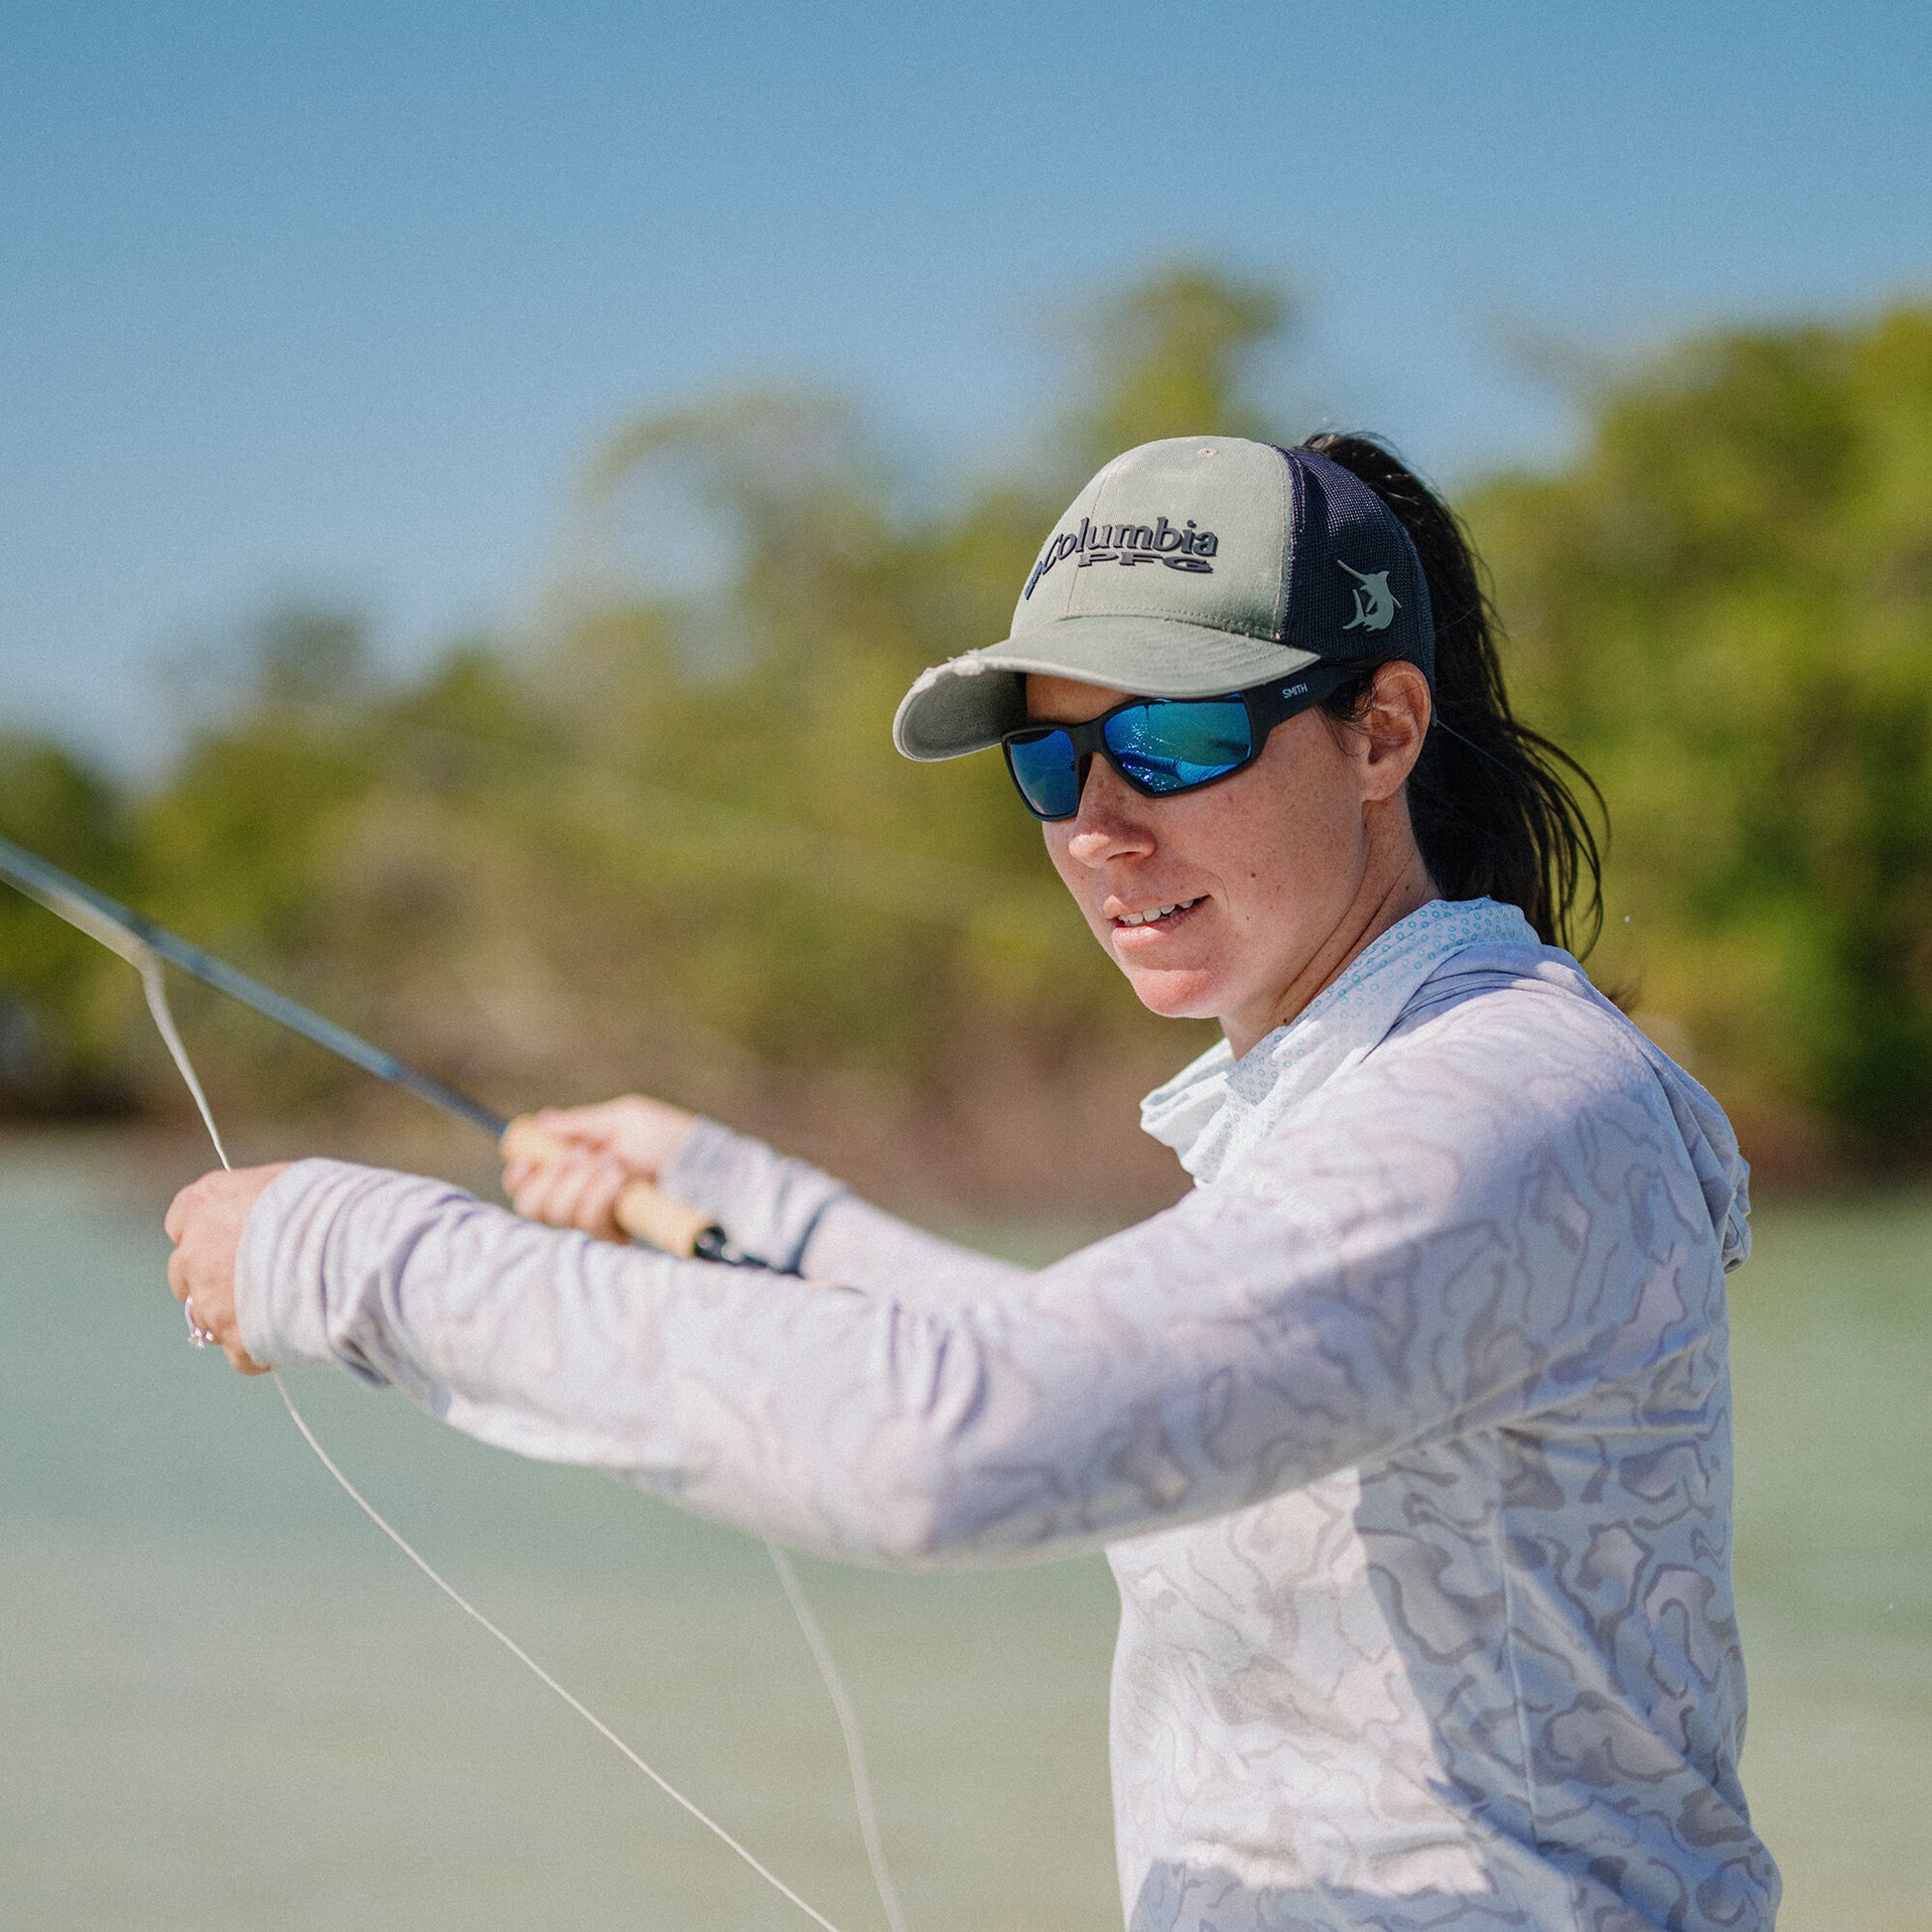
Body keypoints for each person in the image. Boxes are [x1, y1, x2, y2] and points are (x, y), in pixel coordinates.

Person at [166, 433, 1780, 1931]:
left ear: (1381, 731)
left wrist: (349, 1254)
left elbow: (974, 1433)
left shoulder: (1501, 1100)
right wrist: (751, 1204)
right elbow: (1102, 1366)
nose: (1096, 824)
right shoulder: (1342, 1094)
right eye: (1049, 756)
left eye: (1173, 732)